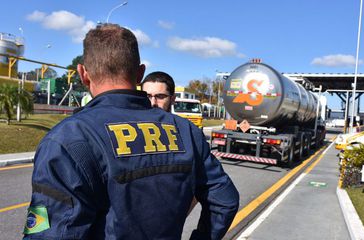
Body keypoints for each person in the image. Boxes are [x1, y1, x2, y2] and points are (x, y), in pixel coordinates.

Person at [23, 24, 239, 240]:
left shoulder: (68, 139)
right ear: (140, 74)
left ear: (83, 74)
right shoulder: (185, 131)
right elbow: (225, 200)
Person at [141, 71, 198, 214]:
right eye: (147, 96)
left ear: (172, 99)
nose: (153, 103)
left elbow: (203, 185)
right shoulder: (127, 130)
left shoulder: (187, 133)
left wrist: (178, 217)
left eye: (160, 97)